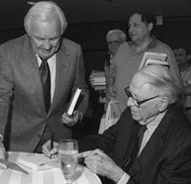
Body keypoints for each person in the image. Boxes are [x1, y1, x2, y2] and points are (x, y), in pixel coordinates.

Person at [43, 65, 191, 184]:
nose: (128, 103)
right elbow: (106, 140)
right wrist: (68, 149)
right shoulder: (133, 113)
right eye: (129, 94)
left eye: (137, 100)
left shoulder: (183, 142)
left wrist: (117, 175)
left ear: (162, 104)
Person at [0, 1, 89, 170]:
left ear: (61, 32)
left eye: (54, 38)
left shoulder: (74, 51)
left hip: (58, 143)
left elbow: (81, 90)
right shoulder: (9, 51)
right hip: (18, 143)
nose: (47, 45)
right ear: (29, 33)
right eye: (40, 38)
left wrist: (77, 114)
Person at [108, 12, 182, 116]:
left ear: (149, 26)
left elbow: (177, 86)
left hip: (148, 117)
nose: (130, 30)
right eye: (129, 26)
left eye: (136, 25)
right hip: (119, 116)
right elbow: (112, 73)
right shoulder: (122, 48)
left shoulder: (164, 50)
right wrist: (110, 85)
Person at [89, 29, 126, 134]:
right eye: (110, 43)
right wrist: (95, 82)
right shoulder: (102, 60)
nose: (112, 45)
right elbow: (96, 85)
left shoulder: (129, 60)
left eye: (116, 42)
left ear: (124, 43)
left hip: (122, 107)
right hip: (102, 109)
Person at [174, 48, 191, 121]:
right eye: (175, 55)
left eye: (180, 55)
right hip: (178, 111)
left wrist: (175, 90)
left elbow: (189, 90)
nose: (177, 58)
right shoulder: (174, 72)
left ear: (188, 57)